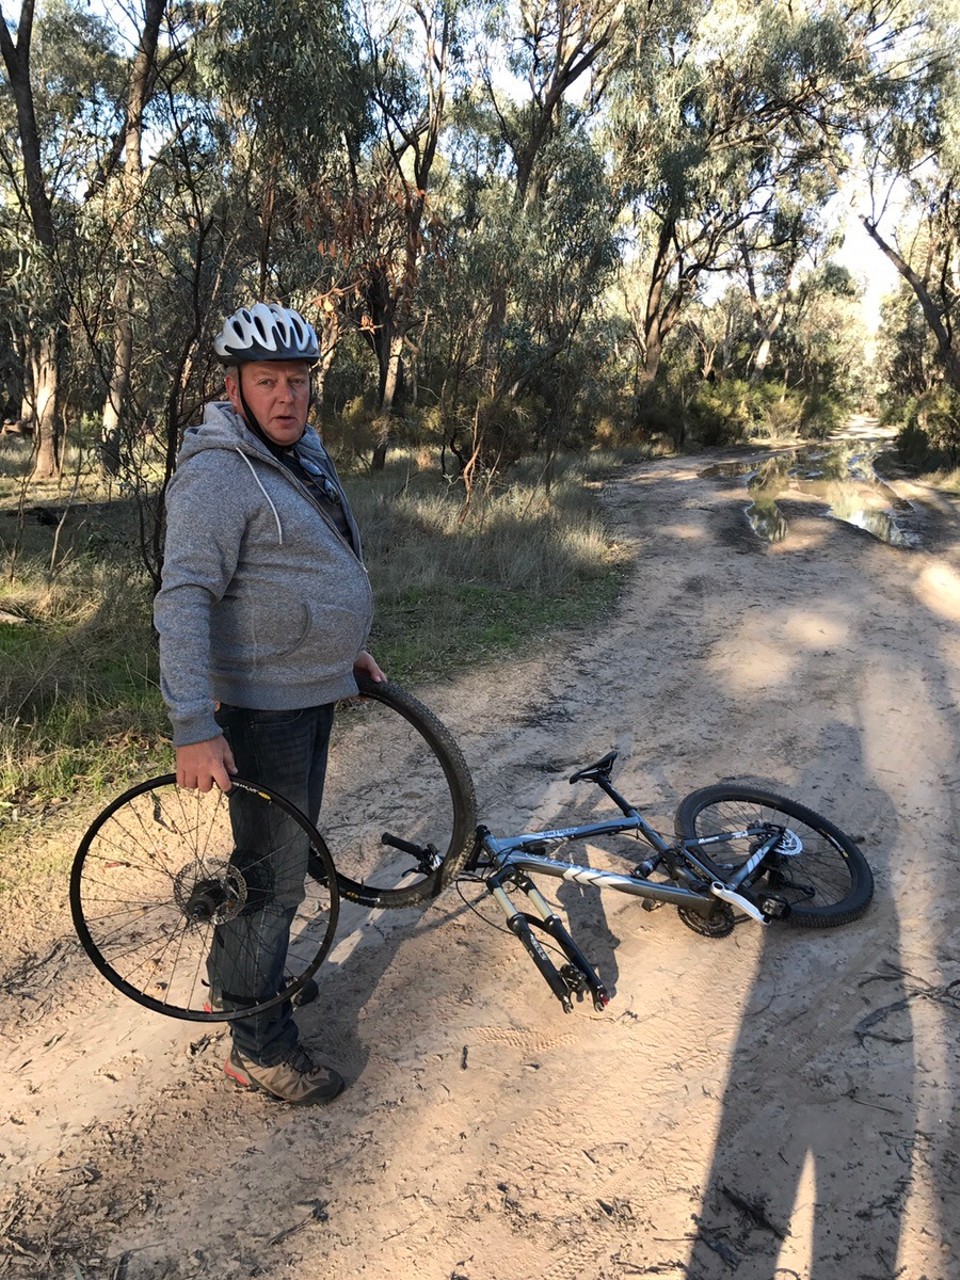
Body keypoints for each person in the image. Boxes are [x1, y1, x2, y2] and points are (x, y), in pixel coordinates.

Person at [154, 302, 383, 1105]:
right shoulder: (219, 472)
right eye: (268, 381)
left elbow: (314, 557)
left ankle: (233, 983)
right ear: (234, 385)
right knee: (275, 882)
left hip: (307, 688)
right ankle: (257, 1046)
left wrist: (341, 645)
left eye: (297, 379)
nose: (287, 396)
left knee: (271, 867)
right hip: (262, 709)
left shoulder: (298, 451)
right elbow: (182, 598)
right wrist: (193, 724)